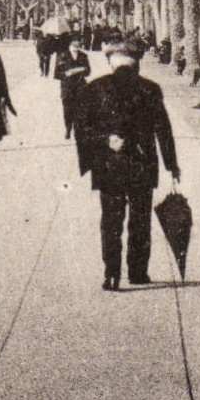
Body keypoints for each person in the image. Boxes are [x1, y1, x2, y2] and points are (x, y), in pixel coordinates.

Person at [77, 39, 179, 291]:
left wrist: (104, 142)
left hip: (108, 166)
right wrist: (171, 165)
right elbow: (163, 130)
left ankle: (111, 274)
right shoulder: (150, 89)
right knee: (140, 220)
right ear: (136, 63)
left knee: (111, 221)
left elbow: (82, 130)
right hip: (142, 164)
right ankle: (137, 272)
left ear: (112, 62)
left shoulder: (94, 88)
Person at [53, 35, 92, 140]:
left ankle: (78, 130)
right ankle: (68, 129)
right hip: (67, 88)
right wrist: (66, 74)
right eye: (76, 41)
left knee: (80, 109)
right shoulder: (62, 55)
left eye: (79, 41)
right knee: (67, 110)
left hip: (80, 87)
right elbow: (56, 74)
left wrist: (81, 71)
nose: (78, 43)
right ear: (71, 42)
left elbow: (88, 71)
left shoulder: (83, 55)